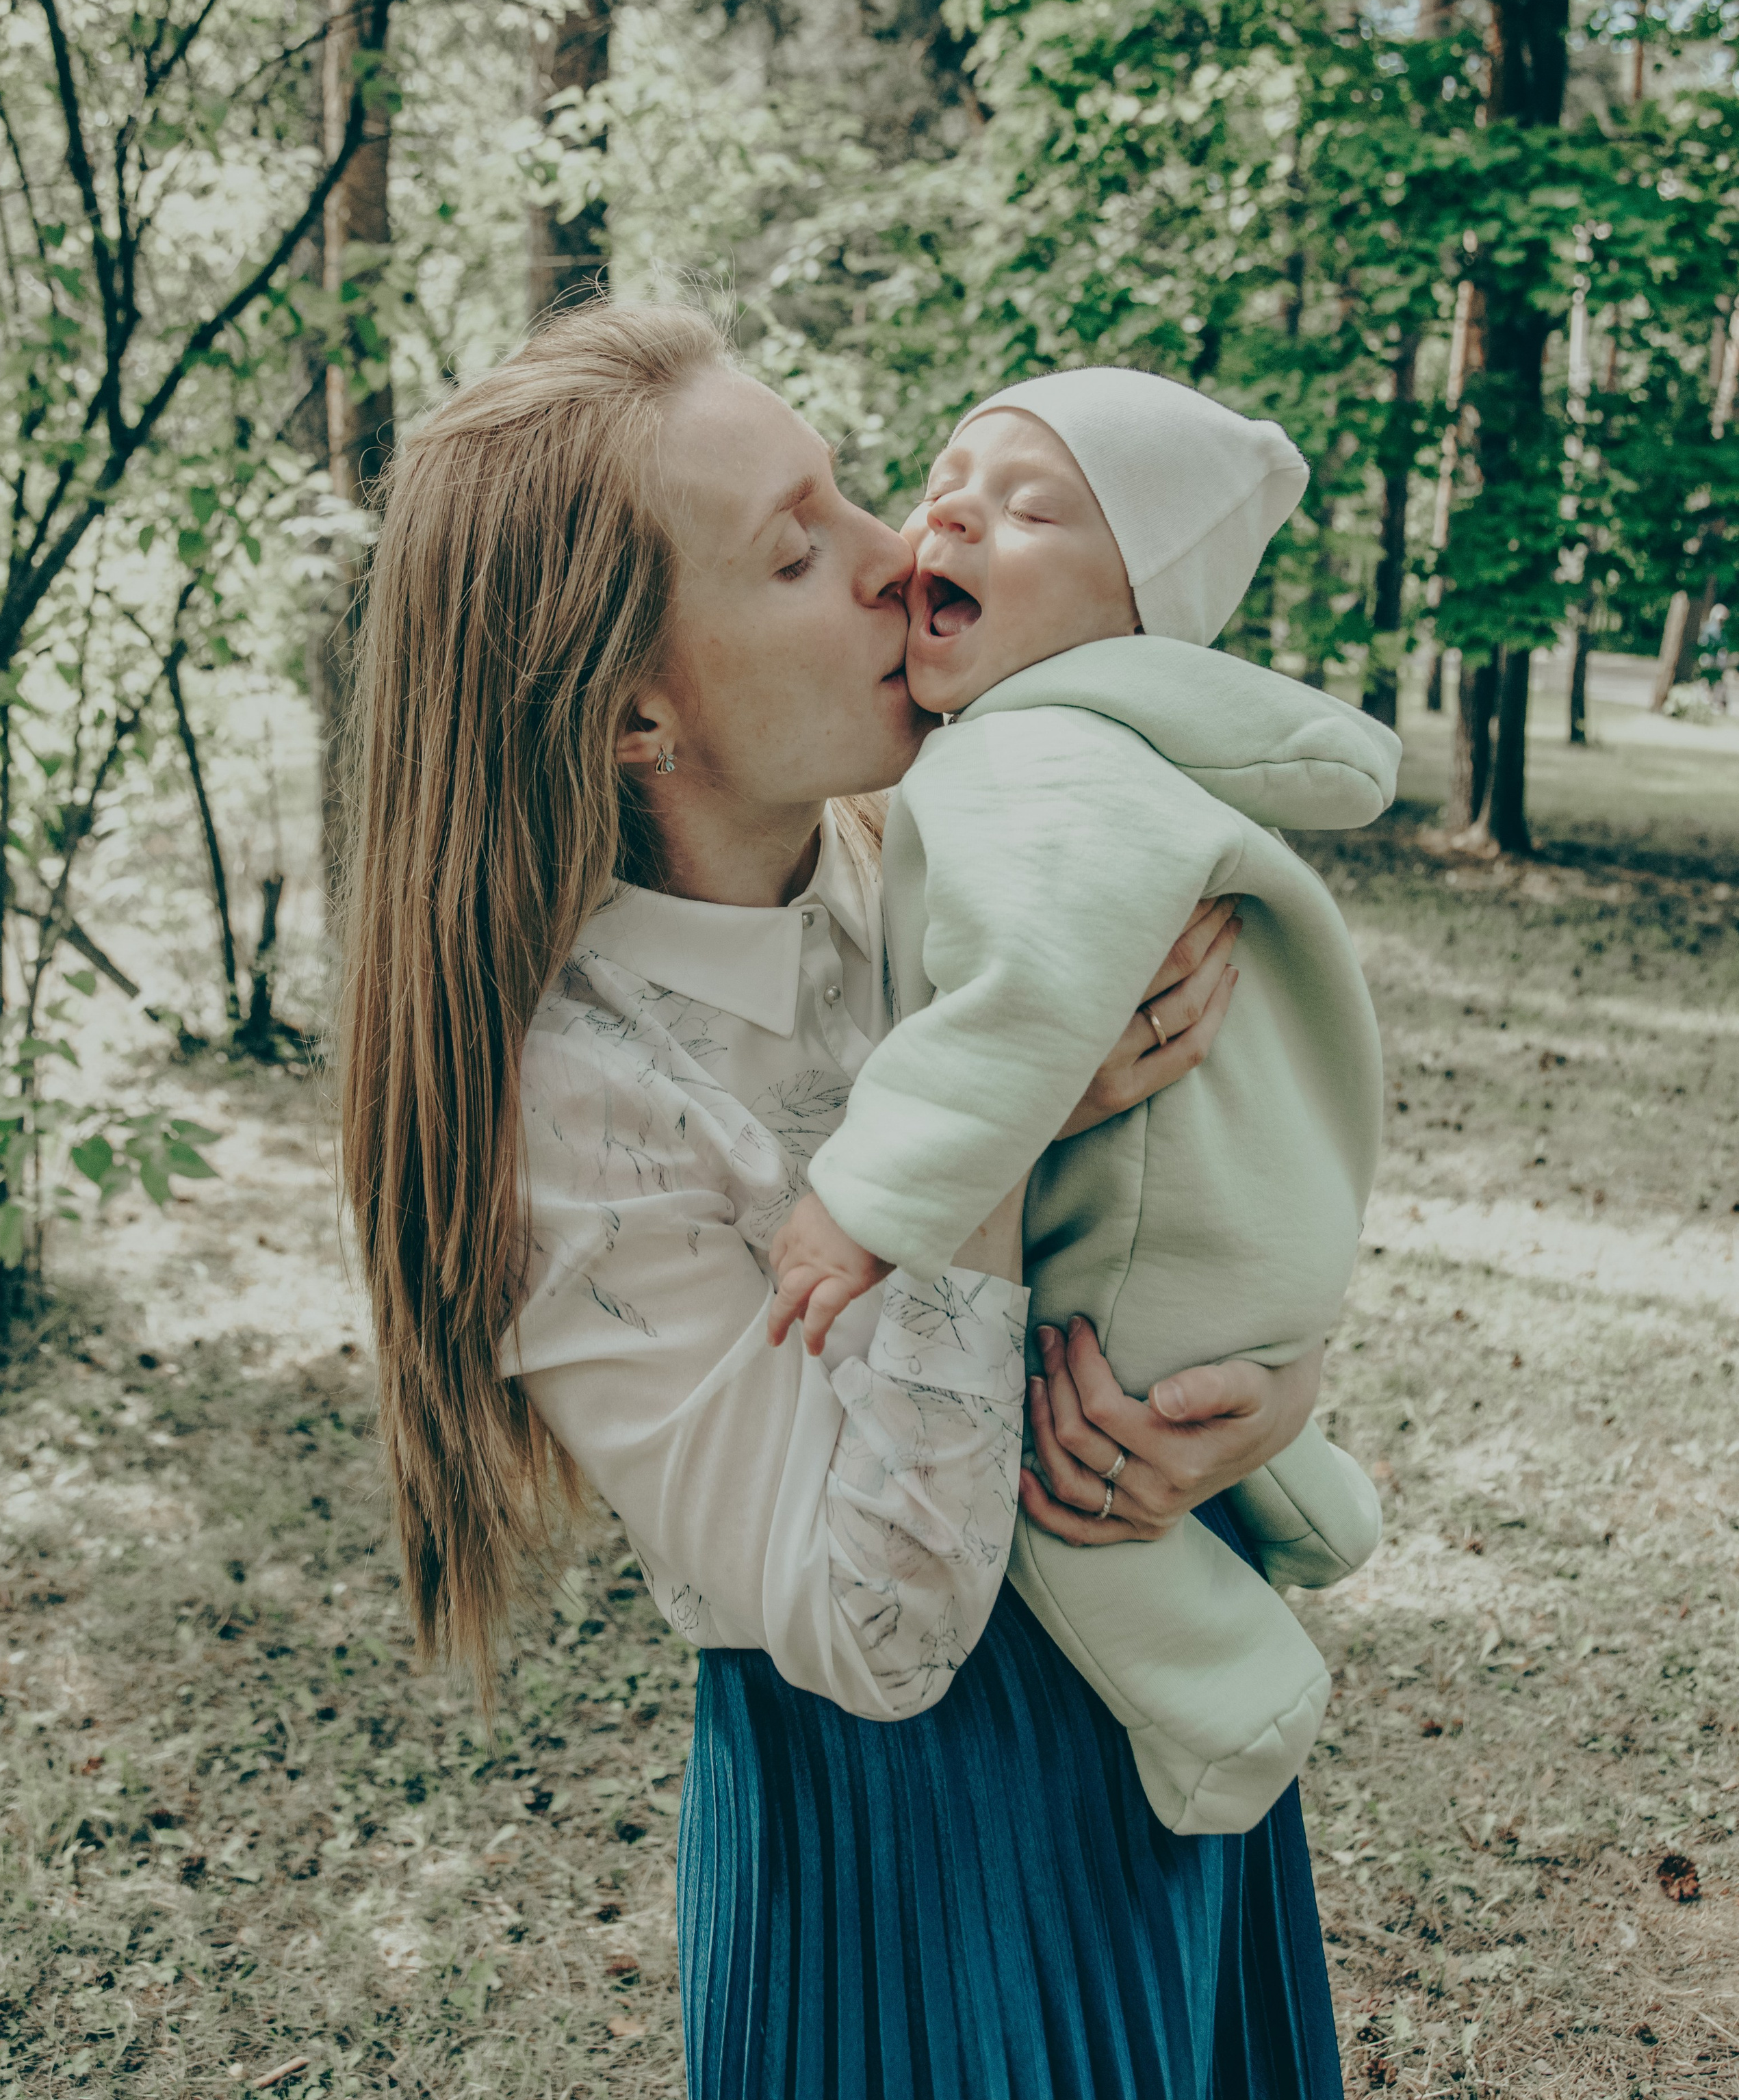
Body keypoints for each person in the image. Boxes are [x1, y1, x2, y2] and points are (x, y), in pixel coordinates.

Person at [341, 303, 1346, 2099]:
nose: (903, 560)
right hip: (913, 1869)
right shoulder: (576, 1119)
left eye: (857, 495)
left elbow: (1227, 1184)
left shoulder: (958, 859)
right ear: (637, 707)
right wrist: (993, 1142)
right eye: (799, 549)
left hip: (1152, 1753)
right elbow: (875, 1632)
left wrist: (1251, 1410)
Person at [768, 368, 1395, 1839]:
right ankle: (1311, 1501)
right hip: (1233, 1229)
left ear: (1134, 612)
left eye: (1031, 506)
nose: (949, 515)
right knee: (1174, 1398)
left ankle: (1233, 1704)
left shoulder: (1034, 758)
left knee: (1058, 1477)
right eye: (949, 482)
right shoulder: (1096, 742)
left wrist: (863, 1198)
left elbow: (1026, 1000)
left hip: (1133, 1257)